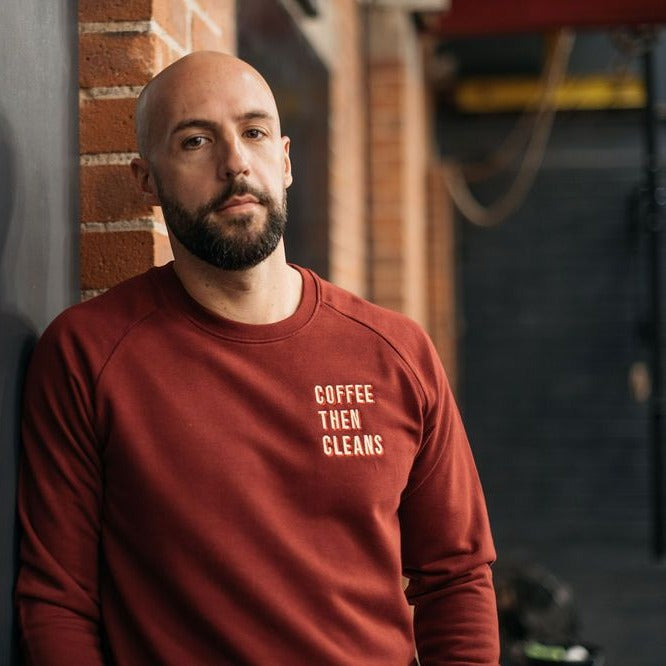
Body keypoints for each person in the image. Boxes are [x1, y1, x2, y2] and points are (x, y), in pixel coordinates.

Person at [16, 51, 499, 665]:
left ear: (286, 160)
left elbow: (457, 577)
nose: (235, 163)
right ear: (147, 179)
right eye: (195, 141)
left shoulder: (396, 353)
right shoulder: (88, 354)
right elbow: (59, 601)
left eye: (254, 133)